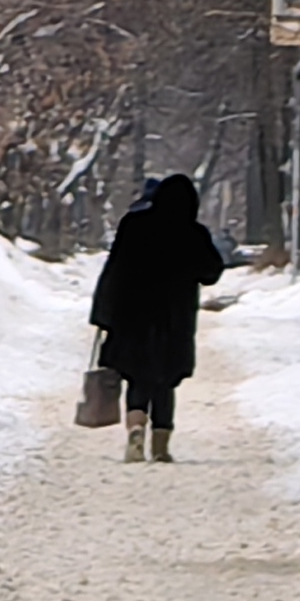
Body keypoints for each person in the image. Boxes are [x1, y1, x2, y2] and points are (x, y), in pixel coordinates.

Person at [87, 172, 225, 463]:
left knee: (137, 378)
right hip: (174, 320)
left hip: (132, 318)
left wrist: (103, 314)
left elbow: (114, 271)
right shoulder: (193, 233)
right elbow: (211, 272)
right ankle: (161, 444)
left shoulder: (134, 226)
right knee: (165, 382)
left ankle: (136, 428)